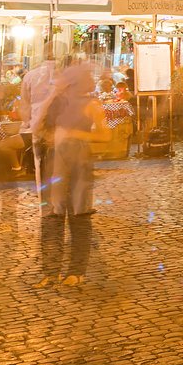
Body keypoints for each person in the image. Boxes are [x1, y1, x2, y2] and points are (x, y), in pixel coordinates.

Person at [34, 64, 108, 290]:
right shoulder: (56, 103)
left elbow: (106, 135)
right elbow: (36, 127)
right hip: (54, 164)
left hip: (79, 163)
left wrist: (74, 134)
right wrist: (52, 96)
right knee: (52, 218)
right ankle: (50, 272)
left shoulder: (92, 105)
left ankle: (77, 271)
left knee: (79, 217)